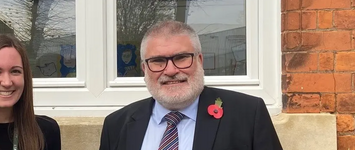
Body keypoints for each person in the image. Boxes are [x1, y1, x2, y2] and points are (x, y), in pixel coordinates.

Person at [99, 20, 282, 150]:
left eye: (181, 58)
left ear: (200, 60)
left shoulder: (248, 115)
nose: (170, 70)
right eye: (158, 61)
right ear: (144, 68)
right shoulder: (116, 125)